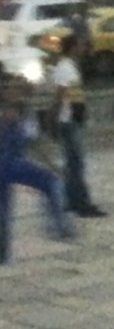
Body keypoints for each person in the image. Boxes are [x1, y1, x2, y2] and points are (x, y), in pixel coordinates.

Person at [0, 77, 77, 261]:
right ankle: (3, 253)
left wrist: (52, 165)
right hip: (6, 163)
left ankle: (58, 225)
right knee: (4, 210)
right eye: (10, 89)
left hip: (14, 163)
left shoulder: (26, 112)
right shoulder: (6, 112)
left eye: (18, 89)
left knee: (51, 182)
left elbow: (34, 142)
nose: (15, 93)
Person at [44, 37, 105, 218]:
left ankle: (70, 200)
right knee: (77, 164)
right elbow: (60, 96)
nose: (83, 48)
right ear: (72, 48)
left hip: (71, 120)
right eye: (80, 45)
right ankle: (83, 204)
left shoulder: (68, 67)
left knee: (72, 164)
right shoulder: (66, 68)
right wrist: (53, 119)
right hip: (69, 120)